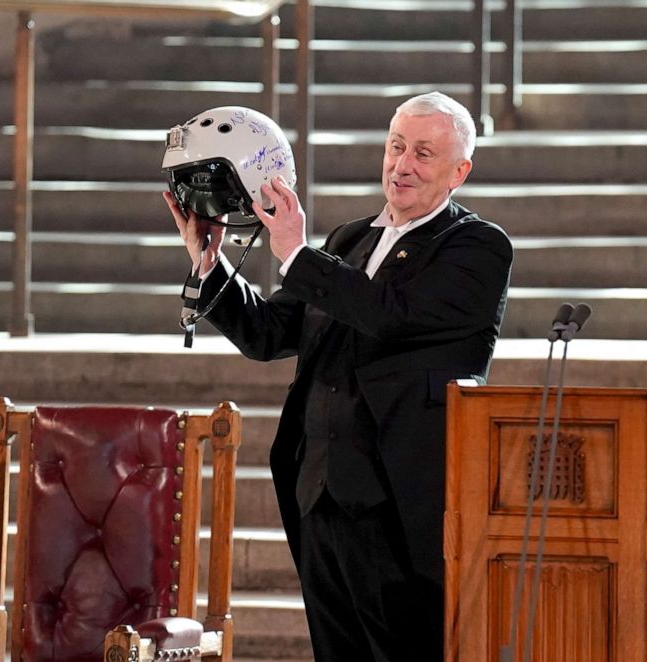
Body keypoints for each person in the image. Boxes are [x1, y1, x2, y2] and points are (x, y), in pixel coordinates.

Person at [163, 92, 512, 662]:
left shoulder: (477, 247)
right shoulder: (350, 241)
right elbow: (271, 333)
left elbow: (389, 316)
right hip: (319, 495)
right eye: (397, 146)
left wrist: (296, 252)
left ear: (459, 171)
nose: (402, 165)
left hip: (400, 505)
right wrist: (209, 262)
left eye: (424, 154)